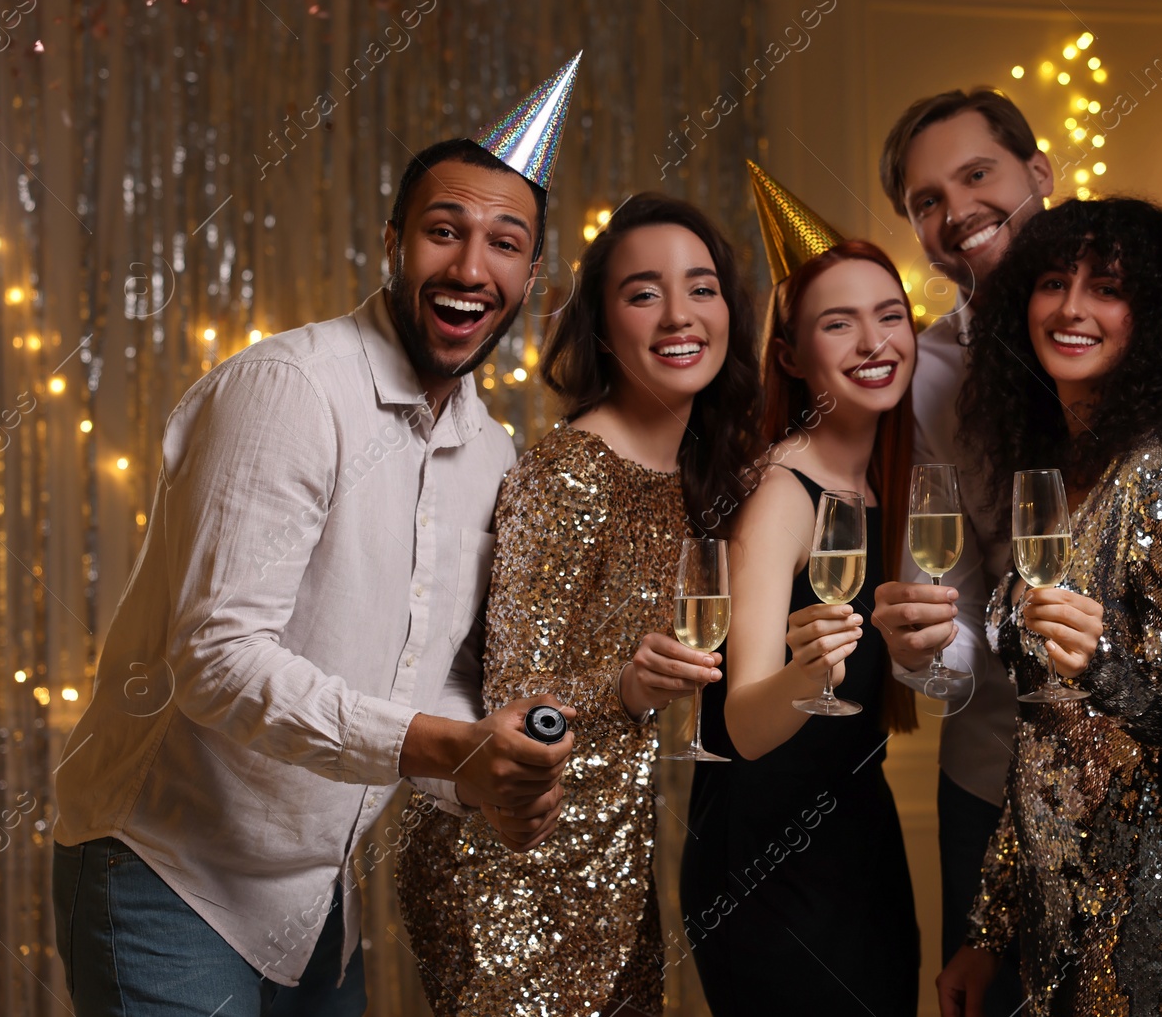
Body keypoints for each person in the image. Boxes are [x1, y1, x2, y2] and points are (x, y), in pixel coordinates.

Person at [50, 56, 584, 1017]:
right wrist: (442, 745)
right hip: (169, 874)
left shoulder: (495, 452)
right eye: (443, 231)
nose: (472, 268)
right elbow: (216, 659)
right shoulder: (291, 390)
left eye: (506, 244)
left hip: (315, 902)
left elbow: (430, 676)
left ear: (533, 275)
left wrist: (489, 773)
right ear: (393, 243)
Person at [395, 193, 761, 1016]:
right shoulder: (569, 470)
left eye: (701, 288)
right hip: (509, 869)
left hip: (613, 860)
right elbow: (514, 706)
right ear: (602, 326)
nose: (679, 314)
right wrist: (625, 689)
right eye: (643, 292)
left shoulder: (703, 475)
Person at [938, 197, 1162, 1016]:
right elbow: (1044, 740)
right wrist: (986, 933)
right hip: (1054, 919)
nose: (1070, 307)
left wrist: (1101, 661)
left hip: (1155, 921)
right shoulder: (1054, 474)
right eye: (1050, 282)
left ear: (1153, 316)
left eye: (1105, 287)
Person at [679, 164, 920, 1016]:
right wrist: (806, 671)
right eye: (839, 323)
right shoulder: (781, 492)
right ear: (790, 352)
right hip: (766, 865)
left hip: (861, 839)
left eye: (891, 316)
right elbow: (742, 722)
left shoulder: (892, 484)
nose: (874, 341)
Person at [870, 87, 1053, 1011]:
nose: (956, 211)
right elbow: (956, 619)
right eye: (926, 201)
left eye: (976, 174)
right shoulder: (928, 374)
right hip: (995, 785)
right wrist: (926, 650)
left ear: (1040, 175)